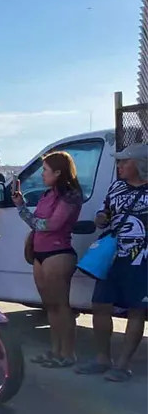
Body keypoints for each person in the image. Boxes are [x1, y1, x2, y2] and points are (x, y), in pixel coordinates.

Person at [75, 144, 148, 382]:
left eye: (123, 162)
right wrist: (101, 218)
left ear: (139, 164)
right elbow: (103, 212)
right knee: (100, 304)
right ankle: (102, 358)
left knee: (137, 310)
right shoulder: (116, 186)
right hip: (114, 257)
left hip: (141, 260)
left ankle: (123, 364)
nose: (119, 166)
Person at [11, 151, 82, 369]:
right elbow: (39, 223)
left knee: (61, 306)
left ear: (58, 172)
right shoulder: (47, 194)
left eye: (45, 170)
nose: (42, 174)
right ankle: (55, 350)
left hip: (58, 253)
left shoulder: (69, 195)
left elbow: (52, 225)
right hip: (41, 255)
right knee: (51, 306)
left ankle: (67, 353)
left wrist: (28, 216)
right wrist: (21, 205)